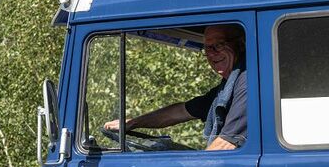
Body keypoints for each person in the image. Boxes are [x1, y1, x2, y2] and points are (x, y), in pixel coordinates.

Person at [103, 24, 247, 150]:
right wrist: (133, 123)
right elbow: (179, 112)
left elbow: (227, 145)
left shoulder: (248, 82)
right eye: (207, 48)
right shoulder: (224, 90)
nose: (211, 54)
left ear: (241, 44)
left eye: (218, 45)